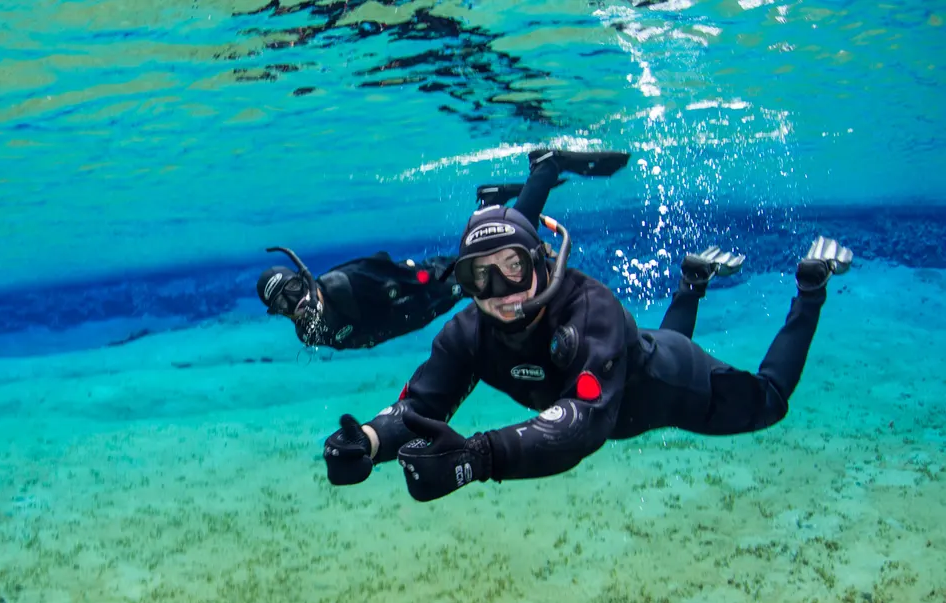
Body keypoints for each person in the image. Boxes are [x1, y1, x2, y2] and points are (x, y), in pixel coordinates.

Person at [320, 152, 854, 502]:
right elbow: (418, 407)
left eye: (513, 268)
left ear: (542, 261)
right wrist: (365, 440)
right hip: (634, 361)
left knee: (770, 400)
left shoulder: (589, 308)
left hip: (672, 383)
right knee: (661, 339)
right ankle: (691, 282)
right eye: (479, 279)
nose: (501, 294)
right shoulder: (467, 334)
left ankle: (810, 287)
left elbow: (583, 423)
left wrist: (475, 459)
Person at [255, 148, 632, 350]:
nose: (295, 306)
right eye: (281, 306)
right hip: (421, 309)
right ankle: (488, 202)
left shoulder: (340, 285)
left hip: (423, 287)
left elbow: (390, 270)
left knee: (503, 246)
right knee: (489, 254)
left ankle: (545, 168)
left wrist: (439, 278)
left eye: (292, 292)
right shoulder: (309, 333)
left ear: (303, 277)